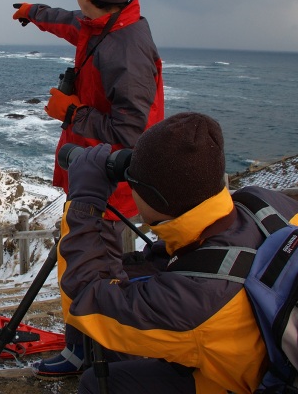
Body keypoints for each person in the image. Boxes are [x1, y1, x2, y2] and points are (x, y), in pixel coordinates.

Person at [59, 112, 298, 393]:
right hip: (259, 351)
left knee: (97, 384)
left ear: (153, 199)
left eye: (133, 183)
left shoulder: (192, 300)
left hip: (241, 383)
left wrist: (85, 201)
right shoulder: (262, 202)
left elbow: (85, 297)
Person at [13, 0, 165, 378]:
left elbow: (131, 134)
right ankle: (89, 349)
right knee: (83, 264)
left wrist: (72, 112)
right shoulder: (106, 23)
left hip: (112, 188)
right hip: (92, 177)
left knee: (95, 273)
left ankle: (96, 360)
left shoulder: (125, 51)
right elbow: (70, 23)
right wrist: (35, 12)